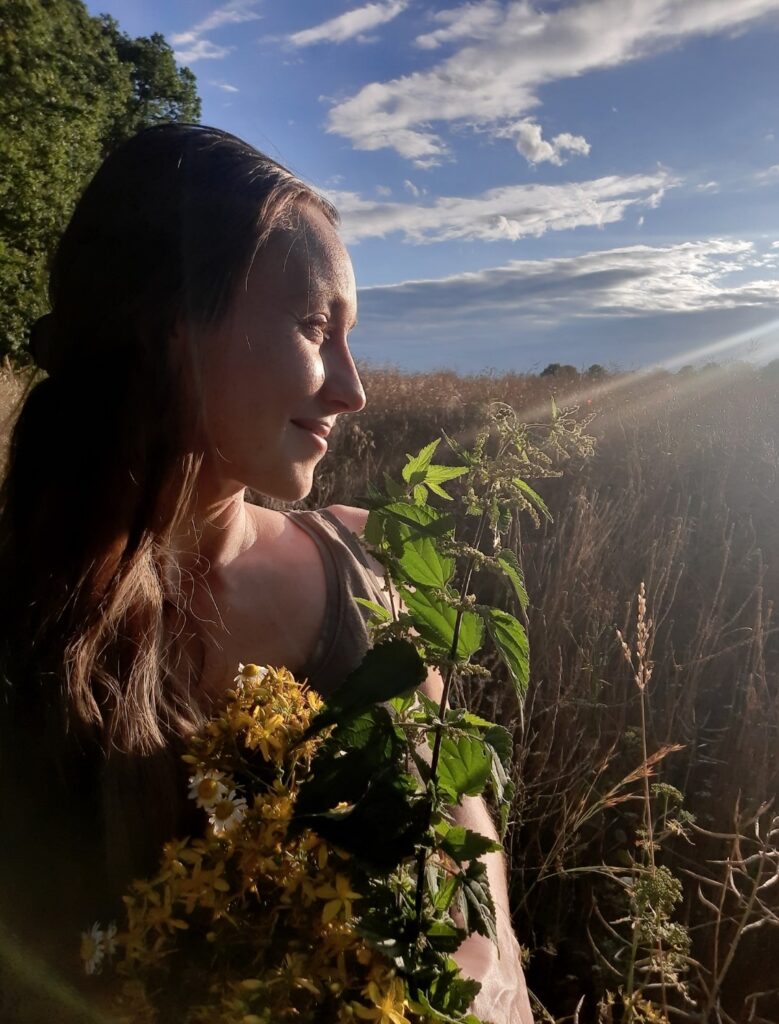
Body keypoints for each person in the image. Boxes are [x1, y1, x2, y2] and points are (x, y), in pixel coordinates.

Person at [0, 124, 532, 1023]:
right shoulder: (26, 628)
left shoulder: (369, 569)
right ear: (170, 325)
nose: (351, 388)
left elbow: (476, 898)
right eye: (315, 326)